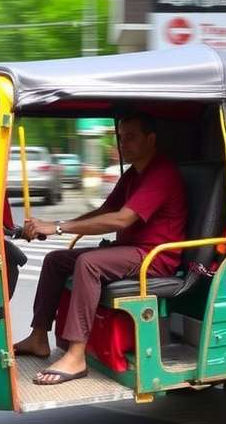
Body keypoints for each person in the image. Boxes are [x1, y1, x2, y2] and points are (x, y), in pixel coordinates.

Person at [14, 113, 188, 385]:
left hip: (154, 258)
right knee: (56, 260)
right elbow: (105, 211)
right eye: (121, 137)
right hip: (131, 250)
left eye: (131, 137)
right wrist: (50, 224)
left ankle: (76, 355)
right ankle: (38, 337)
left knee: (89, 263)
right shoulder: (133, 174)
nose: (123, 144)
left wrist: (59, 227)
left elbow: (122, 219)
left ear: (151, 139)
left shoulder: (161, 173)